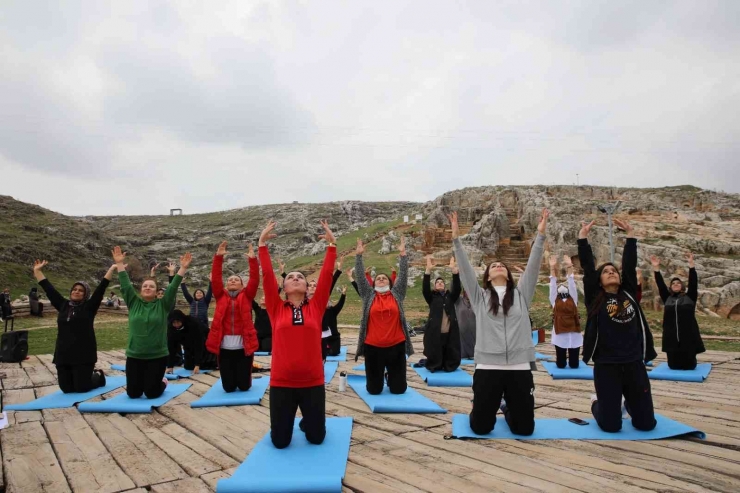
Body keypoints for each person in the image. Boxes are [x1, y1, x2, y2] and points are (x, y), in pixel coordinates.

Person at [451, 209, 548, 436]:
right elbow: (465, 272)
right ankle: (481, 406)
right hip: (488, 367)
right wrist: (456, 240)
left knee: (525, 429)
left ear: (509, 274)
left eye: (501, 265)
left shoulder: (521, 295)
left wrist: (540, 236)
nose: (498, 266)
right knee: (481, 428)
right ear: (486, 276)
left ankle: (506, 408)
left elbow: (532, 268)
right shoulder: (479, 297)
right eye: (493, 266)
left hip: (519, 367)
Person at [259, 219, 337, 449]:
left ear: (305, 286)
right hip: (281, 383)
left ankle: (306, 422)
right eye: (290, 277)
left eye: (300, 277)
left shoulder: (315, 307)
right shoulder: (276, 308)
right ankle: (287, 423)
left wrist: (332, 247)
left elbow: (326, 277)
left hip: (312, 382)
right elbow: (266, 276)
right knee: (280, 442)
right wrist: (262, 245)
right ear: (283, 287)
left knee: (316, 438)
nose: (295, 278)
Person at [578, 219, 657, 433]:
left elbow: (629, 265)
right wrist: (583, 238)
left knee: (646, 424)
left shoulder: (629, 293)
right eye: (606, 271)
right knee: (611, 426)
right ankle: (597, 404)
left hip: (634, 363)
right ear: (599, 280)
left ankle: (632, 403)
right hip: (607, 365)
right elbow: (587, 267)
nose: (612, 272)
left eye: (614, 270)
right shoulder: (595, 298)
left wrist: (630, 235)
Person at [114, 246, 192, 399]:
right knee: (133, 394)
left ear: (157, 292)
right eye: (145, 286)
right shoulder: (133, 302)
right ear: (141, 290)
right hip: (135, 355)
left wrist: (182, 268)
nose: (147, 288)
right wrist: (120, 264)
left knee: (151, 393)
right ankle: (144, 381)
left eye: (151, 286)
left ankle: (162, 381)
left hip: (156, 355)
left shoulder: (163, 305)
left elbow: (173, 288)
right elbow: (125, 285)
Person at [32, 260, 110, 393]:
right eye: (74, 289)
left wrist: (113, 268)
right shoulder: (63, 305)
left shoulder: (89, 307)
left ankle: (98, 376)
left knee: (81, 388)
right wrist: (37, 271)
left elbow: (101, 288)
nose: (77, 292)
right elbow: (49, 289)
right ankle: (82, 376)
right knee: (66, 389)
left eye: (81, 290)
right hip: (63, 354)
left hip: (84, 355)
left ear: (86, 294)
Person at [354, 235, 413, 395]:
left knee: (399, 390)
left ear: (389, 282)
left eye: (384, 278)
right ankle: (380, 377)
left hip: (396, 346)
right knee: (374, 390)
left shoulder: (397, 294)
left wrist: (403, 256)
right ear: (373, 283)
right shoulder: (368, 295)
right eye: (378, 278)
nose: (381, 279)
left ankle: (390, 376)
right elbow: (360, 277)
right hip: (373, 347)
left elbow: (404, 275)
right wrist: (358, 256)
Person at [206, 242, 259, 393]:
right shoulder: (220, 295)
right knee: (228, 388)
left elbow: (255, 280)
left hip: (244, 346)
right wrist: (218, 257)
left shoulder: (247, 296)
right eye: (230, 280)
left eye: (237, 280)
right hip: (224, 347)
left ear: (242, 286)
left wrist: (252, 260)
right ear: (226, 285)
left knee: (244, 386)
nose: (233, 281)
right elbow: (215, 279)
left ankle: (244, 379)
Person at [651, 253, 705, 370]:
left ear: (682, 286)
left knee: (689, 366)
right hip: (671, 335)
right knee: (673, 366)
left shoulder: (690, 297)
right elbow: (660, 285)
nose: (676, 284)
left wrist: (691, 265)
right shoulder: (667, 298)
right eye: (673, 283)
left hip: (688, 335)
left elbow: (693, 283)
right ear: (670, 287)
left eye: (678, 283)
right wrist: (656, 268)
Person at [420, 256, 461, 372]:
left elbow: (457, 288)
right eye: (437, 282)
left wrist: (454, 271)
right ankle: (435, 365)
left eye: (442, 282)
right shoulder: (431, 298)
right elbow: (425, 289)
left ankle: (449, 365)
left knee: (450, 349)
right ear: (435, 286)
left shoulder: (450, 297)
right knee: (435, 349)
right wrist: (428, 271)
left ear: (445, 285)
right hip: (435, 330)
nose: (440, 283)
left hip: (450, 330)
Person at [548, 255, 582, 369]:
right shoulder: (554, 300)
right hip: (560, 331)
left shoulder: (573, 299)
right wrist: (552, 268)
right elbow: (552, 284)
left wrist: (569, 266)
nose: (562, 286)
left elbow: (571, 283)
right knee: (561, 365)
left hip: (573, 330)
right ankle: (561, 360)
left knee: (574, 365)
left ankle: (573, 360)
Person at [167, 309, 206, 374]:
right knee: (188, 367)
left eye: (178, 322)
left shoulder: (192, 323)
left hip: (204, 341)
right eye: (174, 323)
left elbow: (199, 344)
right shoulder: (171, 328)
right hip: (188, 345)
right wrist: (170, 366)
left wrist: (197, 364)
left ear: (182, 320)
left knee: (205, 364)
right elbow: (171, 347)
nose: (176, 325)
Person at [322, 286, 346, 360]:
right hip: (323, 337)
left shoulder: (333, 310)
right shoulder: (318, 311)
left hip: (333, 338)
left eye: (328, 301)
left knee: (333, 353)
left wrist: (343, 294)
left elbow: (340, 304)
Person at [455, 289, 476, 360]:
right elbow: (454, 288)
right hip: (461, 335)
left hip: (475, 335)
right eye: (466, 290)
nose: (468, 292)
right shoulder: (459, 300)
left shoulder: (476, 301)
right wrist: (456, 278)